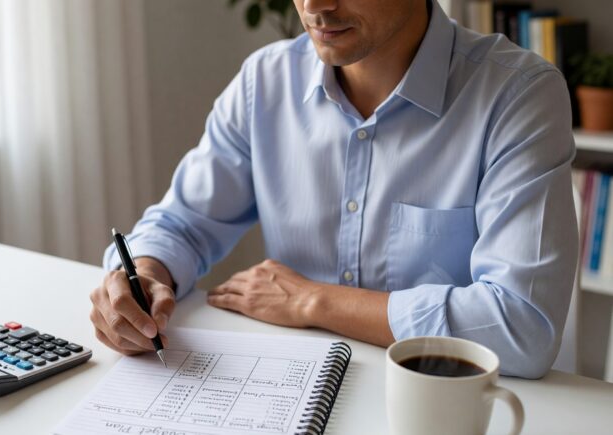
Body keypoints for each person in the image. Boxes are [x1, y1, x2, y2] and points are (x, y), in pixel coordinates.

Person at [89, 0, 578, 379]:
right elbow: (183, 222)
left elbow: (522, 326)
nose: (314, 5)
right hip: (287, 389)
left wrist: (313, 301)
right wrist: (145, 274)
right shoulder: (265, 82)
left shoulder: (517, 95)